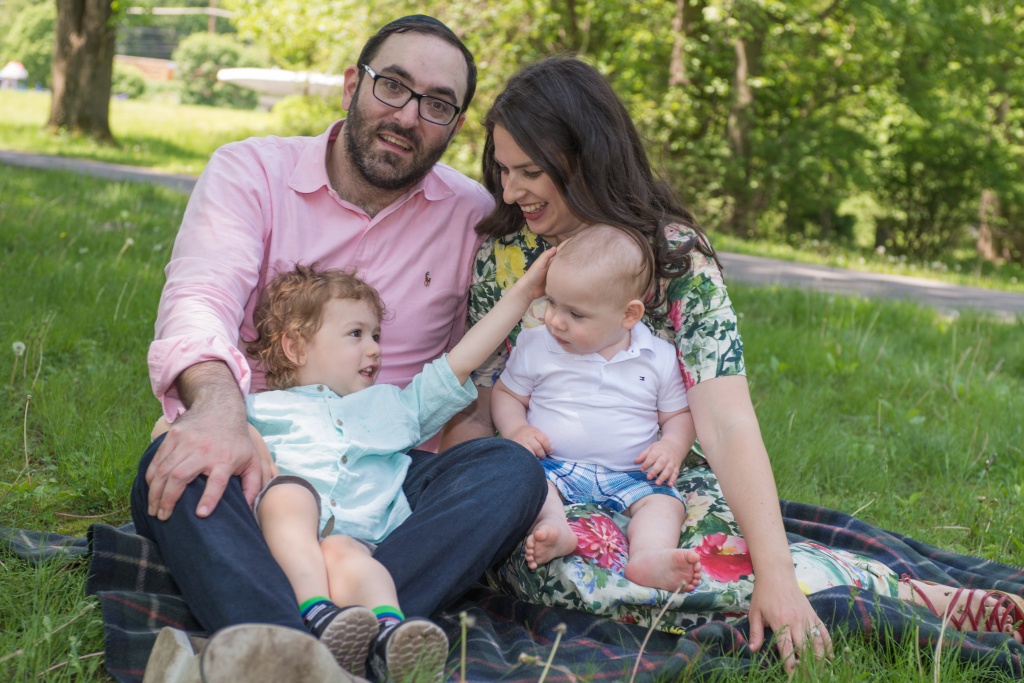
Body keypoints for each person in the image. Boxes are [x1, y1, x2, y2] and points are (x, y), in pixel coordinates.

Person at [440, 56, 1024, 670]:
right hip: (545, 488)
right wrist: (490, 495)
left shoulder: (673, 258)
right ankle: (857, 601)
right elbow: (476, 411)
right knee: (563, 569)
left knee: (721, 552)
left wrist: (772, 571)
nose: (510, 192)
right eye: (502, 171)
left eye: (530, 171)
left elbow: (726, 423)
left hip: (654, 486)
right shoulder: (504, 258)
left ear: (584, 157)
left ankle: (896, 598)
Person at [130, 15, 548, 680]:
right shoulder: (249, 171)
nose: (408, 117)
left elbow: (487, 356)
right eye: (393, 87)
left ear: (457, 125)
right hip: (263, 462)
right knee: (178, 465)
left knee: (509, 472)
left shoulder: (475, 219)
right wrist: (217, 410)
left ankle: (280, 639)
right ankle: (336, 645)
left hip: (385, 479)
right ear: (354, 83)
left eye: (437, 104)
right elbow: (199, 299)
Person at [242, 257, 552, 680]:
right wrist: (247, 435)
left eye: (376, 335)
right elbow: (173, 426)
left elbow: (458, 363)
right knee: (290, 494)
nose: (374, 348)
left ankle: (388, 632)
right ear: (295, 347)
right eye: (356, 334)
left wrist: (524, 292)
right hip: (281, 543)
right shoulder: (258, 408)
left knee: (347, 553)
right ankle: (313, 612)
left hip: (361, 542)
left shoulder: (391, 407)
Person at [491, 225, 703, 593]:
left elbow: (677, 416)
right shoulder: (537, 345)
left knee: (664, 505)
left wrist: (671, 447)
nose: (555, 320)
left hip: (631, 472)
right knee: (527, 483)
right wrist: (515, 431)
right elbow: (507, 394)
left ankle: (649, 557)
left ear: (628, 315)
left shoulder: (657, 357)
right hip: (553, 466)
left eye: (575, 313)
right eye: (552, 302)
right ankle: (557, 529)